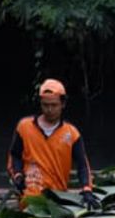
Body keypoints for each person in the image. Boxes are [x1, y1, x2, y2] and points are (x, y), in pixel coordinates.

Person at [6, 78, 99, 210]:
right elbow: (14, 155)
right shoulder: (24, 127)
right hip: (30, 198)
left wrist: (86, 189)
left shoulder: (71, 134)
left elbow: (82, 165)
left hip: (58, 198)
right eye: (45, 105)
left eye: (54, 105)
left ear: (63, 104)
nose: (49, 109)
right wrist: (17, 175)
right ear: (40, 103)